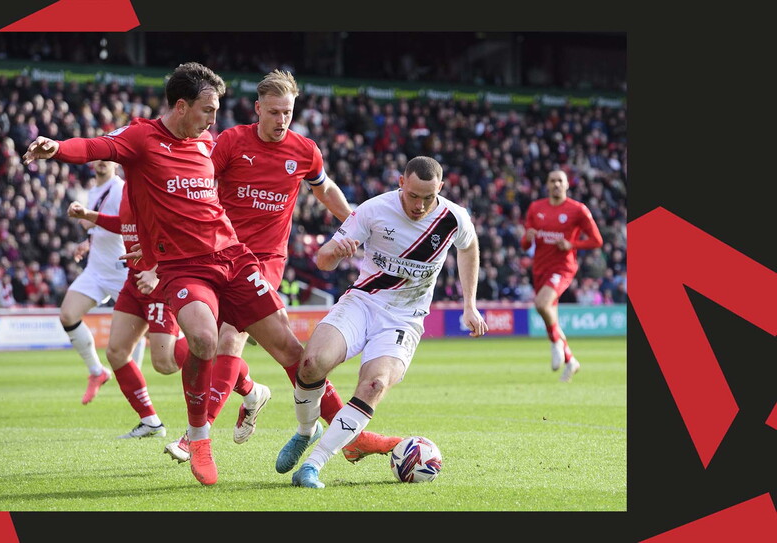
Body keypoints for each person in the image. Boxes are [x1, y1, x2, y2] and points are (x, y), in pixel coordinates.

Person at [22, 62, 307, 487]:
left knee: (282, 350)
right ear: (181, 105)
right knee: (191, 342)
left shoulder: (206, 143)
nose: (215, 120)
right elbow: (97, 146)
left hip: (227, 258)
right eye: (208, 109)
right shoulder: (141, 139)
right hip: (172, 268)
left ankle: (339, 431)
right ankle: (199, 433)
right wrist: (57, 149)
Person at [163, 69, 401, 469]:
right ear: (258, 109)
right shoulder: (231, 142)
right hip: (216, 255)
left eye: (287, 113)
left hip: (264, 262)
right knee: (254, 351)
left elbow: (323, 187)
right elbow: (197, 182)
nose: (281, 120)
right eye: (273, 112)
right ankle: (260, 396)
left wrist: (354, 224)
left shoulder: (304, 150)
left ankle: (195, 436)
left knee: (228, 340)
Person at [287, 156, 488, 488]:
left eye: (428, 197)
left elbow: (469, 246)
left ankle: (313, 465)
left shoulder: (453, 218)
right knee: (311, 363)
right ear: (401, 183)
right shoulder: (373, 210)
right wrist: (336, 254)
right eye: (413, 196)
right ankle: (306, 431)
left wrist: (470, 304)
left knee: (374, 385)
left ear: (441, 188)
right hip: (362, 303)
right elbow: (322, 259)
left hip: (404, 319)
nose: (420, 205)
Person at [67, 193, 188, 440]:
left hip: (158, 285)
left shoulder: (154, 182)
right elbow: (124, 224)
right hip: (133, 283)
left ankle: (215, 336)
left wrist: (156, 271)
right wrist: (88, 215)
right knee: (116, 352)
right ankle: (150, 421)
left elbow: (180, 233)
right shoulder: (127, 189)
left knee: (164, 364)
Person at [58, 159, 146, 405]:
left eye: (106, 158)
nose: (100, 162)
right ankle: (97, 371)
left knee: (134, 330)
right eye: (97, 158)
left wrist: (89, 219)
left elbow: (127, 225)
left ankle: (135, 380)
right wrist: (88, 241)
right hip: (96, 269)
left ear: (115, 163)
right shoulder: (92, 190)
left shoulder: (120, 188)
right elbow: (98, 228)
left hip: (121, 269)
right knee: (67, 315)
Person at [521, 169, 603, 382]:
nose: (556, 184)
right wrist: (527, 238)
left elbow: (596, 240)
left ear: (567, 185)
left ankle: (555, 344)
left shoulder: (578, 210)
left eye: (560, 181)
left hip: (562, 268)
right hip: (539, 268)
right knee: (549, 312)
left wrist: (572, 244)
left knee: (541, 304)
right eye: (552, 181)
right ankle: (571, 361)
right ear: (547, 185)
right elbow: (524, 244)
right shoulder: (535, 208)